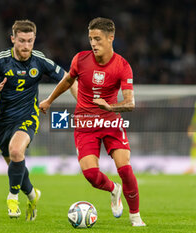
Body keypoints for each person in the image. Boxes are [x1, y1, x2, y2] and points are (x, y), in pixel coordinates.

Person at [39, 17, 146, 227]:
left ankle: (135, 217)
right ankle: (114, 189)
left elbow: (130, 103)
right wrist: (50, 100)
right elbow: (68, 80)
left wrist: (110, 107)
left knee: (125, 168)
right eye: (90, 39)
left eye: (97, 39)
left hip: (110, 122)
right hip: (85, 124)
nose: (93, 43)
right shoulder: (80, 59)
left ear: (110, 38)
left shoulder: (123, 66)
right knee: (90, 175)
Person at [0, 19, 77, 220]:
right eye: (22, 41)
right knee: (15, 161)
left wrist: (83, 102)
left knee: (16, 150)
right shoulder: (0, 60)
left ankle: (12, 198)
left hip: (27, 116)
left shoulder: (39, 60)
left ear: (34, 39)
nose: (26, 46)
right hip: (1, 121)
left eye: (30, 41)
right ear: (13, 39)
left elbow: (69, 78)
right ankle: (32, 195)